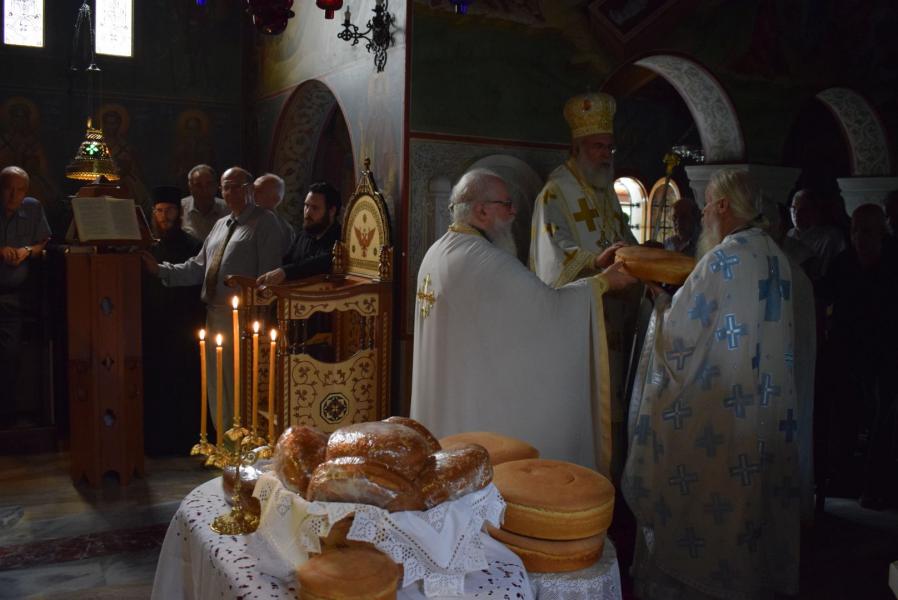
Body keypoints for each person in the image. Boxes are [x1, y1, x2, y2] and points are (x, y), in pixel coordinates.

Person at [622, 169, 801, 599]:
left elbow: (679, 337)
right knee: (752, 501)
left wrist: (659, 303)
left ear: (722, 205)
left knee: (711, 500)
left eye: (706, 204)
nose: (703, 214)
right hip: (764, 411)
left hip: (721, 415)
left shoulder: (723, 259)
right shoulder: (775, 256)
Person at [410, 168, 636, 473]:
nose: (513, 212)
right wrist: (603, 282)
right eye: (506, 204)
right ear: (481, 210)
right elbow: (550, 309)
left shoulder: (438, 251)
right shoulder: (485, 261)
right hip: (467, 400)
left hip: (448, 395)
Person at [530, 92, 640, 480]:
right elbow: (552, 253)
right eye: (597, 146)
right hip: (580, 317)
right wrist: (596, 263)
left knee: (613, 401)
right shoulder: (555, 192)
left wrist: (643, 255)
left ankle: (610, 481)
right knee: (586, 403)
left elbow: (623, 237)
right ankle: (578, 481)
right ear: (577, 147)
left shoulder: (607, 193)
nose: (606, 155)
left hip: (614, 316)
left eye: (609, 147)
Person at [142, 167, 282, 431]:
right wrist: (160, 270)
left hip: (243, 317)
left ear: (249, 189)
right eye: (225, 187)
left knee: (239, 383)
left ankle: (242, 442)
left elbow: (268, 277)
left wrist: (259, 315)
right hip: (214, 314)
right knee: (217, 383)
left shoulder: (265, 222)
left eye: (235, 186)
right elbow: (198, 267)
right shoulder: (221, 224)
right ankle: (223, 441)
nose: (229, 192)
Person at [817, 204, 898, 509]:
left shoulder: (892, 263)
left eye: (866, 231)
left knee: (882, 416)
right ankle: (840, 476)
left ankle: (875, 484)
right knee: (843, 411)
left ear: (881, 233)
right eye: (854, 231)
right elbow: (825, 295)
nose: (859, 238)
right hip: (847, 350)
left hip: (884, 351)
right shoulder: (844, 263)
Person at [142, 186, 204, 454]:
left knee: (183, 384)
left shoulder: (192, 245)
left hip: (182, 327)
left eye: (169, 210)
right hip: (154, 327)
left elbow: (194, 282)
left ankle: (184, 442)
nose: (164, 216)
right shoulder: (147, 247)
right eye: (159, 211)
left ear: (178, 213)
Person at [0, 166, 50, 427]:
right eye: (9, 189)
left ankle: (6, 419)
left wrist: (28, 250)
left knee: (10, 357)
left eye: (19, 190)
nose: (13, 195)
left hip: (13, 299)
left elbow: (44, 241)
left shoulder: (32, 208)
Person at [256, 182, 341, 286]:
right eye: (306, 205)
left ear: (332, 211)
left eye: (315, 208)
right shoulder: (304, 235)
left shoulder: (340, 238)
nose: (307, 212)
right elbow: (287, 261)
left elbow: (322, 262)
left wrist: (286, 272)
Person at [787, 188, 845, 279]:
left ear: (814, 211)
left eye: (803, 210)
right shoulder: (789, 234)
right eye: (793, 209)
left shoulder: (830, 237)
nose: (796, 214)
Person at [181, 164, 229, 241]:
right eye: (198, 185)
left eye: (209, 184)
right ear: (190, 187)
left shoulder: (228, 210)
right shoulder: (180, 208)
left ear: (216, 186)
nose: (204, 190)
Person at [253, 173, 296, 256]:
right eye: (252, 189)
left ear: (275, 199)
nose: (252, 194)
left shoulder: (284, 231)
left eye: (259, 191)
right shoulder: (241, 218)